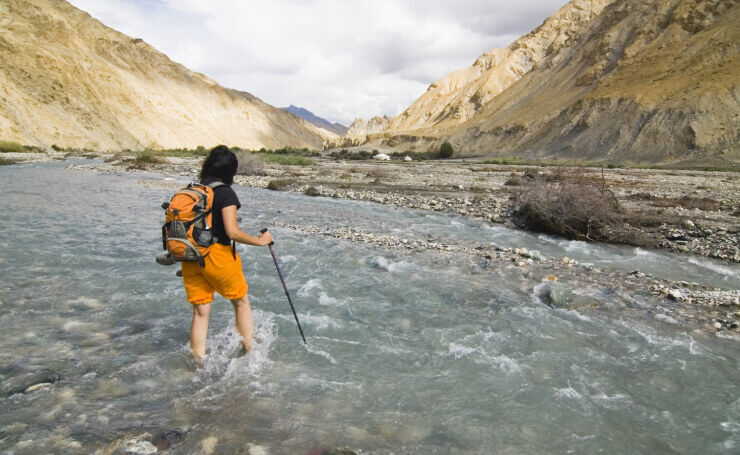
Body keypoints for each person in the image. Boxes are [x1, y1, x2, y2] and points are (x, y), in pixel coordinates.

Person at [181, 145, 273, 360]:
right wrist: (259, 242)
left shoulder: (193, 189)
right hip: (217, 256)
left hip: (190, 255)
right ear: (230, 171)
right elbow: (232, 231)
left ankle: (197, 363)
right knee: (241, 302)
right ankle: (249, 351)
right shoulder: (225, 193)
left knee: (200, 313)